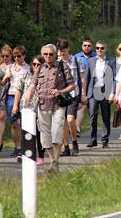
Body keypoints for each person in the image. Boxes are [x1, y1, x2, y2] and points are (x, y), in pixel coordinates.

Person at [25, 44, 75, 172]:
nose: (48, 56)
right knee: (45, 136)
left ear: (55, 54)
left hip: (57, 105)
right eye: (46, 54)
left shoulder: (62, 66)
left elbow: (72, 85)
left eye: (51, 54)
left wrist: (60, 91)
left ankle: (56, 159)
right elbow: (32, 86)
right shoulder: (39, 69)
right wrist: (27, 101)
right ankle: (53, 160)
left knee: (56, 132)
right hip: (42, 105)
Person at [13, 55, 46, 165]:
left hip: (40, 106)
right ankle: (24, 153)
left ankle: (41, 156)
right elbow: (18, 89)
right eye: (34, 64)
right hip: (26, 106)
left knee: (38, 132)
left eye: (38, 64)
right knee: (25, 131)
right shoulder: (27, 74)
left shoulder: (45, 76)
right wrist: (15, 105)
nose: (36, 66)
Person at [57, 39, 86, 157]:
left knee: (70, 120)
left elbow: (82, 78)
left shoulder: (76, 60)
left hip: (74, 94)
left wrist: (83, 93)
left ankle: (74, 142)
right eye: (60, 51)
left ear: (68, 49)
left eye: (64, 51)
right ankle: (66, 146)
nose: (62, 53)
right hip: (61, 95)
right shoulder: (57, 62)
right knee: (63, 122)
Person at [85, 40, 116, 149]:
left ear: (105, 49)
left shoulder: (111, 61)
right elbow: (87, 78)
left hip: (106, 91)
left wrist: (113, 93)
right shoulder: (91, 61)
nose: (99, 50)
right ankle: (93, 139)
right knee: (92, 115)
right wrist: (85, 94)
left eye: (102, 48)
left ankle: (104, 140)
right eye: (98, 48)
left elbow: (114, 78)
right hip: (93, 91)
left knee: (105, 116)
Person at [3, 45, 30, 157]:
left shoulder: (27, 68)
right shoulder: (10, 67)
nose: (17, 59)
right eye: (15, 56)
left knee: (23, 122)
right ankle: (17, 147)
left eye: (19, 56)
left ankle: (25, 146)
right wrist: (6, 77)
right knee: (14, 123)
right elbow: (3, 82)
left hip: (23, 96)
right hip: (11, 95)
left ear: (23, 56)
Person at [75, 38, 97, 137]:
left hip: (94, 87)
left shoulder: (96, 57)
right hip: (81, 86)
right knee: (81, 106)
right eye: (85, 45)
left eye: (89, 45)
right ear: (82, 46)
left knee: (93, 112)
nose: (87, 47)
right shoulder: (76, 57)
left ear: (92, 47)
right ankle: (77, 128)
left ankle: (93, 132)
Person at [0, 45, 13, 152]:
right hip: (2, 94)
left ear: (11, 56)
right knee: (2, 117)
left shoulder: (14, 66)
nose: (5, 58)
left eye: (7, 56)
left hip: (13, 93)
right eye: (3, 56)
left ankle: (18, 143)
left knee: (15, 119)